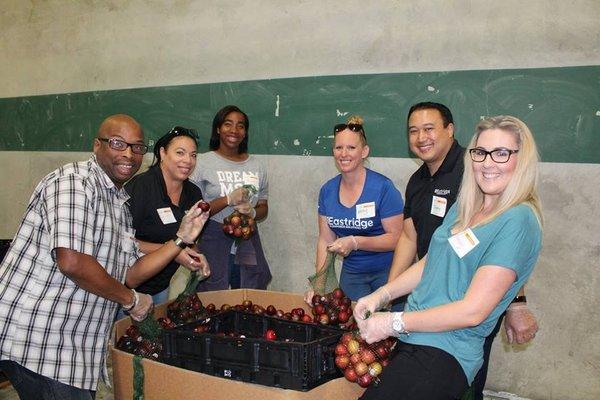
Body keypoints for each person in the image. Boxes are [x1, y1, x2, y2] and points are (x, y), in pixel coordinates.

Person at [0, 115, 208, 399]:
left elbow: (131, 273)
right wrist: (130, 300)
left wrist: (180, 240)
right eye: (117, 143)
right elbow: (72, 261)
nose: (128, 154)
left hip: (73, 345)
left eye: (136, 147)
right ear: (97, 145)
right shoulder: (74, 182)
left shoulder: (118, 203)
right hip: (40, 340)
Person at [355, 115, 543, 400]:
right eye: (480, 153)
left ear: (522, 159)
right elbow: (432, 262)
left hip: (444, 353)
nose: (488, 163)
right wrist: (381, 295)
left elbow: (473, 311)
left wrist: (392, 322)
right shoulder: (466, 206)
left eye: (501, 153)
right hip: (414, 341)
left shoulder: (518, 219)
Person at [308, 116, 404, 303]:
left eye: (351, 148)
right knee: (352, 329)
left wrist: (355, 242)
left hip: (388, 274)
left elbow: (397, 238)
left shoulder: (383, 188)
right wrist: (319, 284)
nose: (344, 154)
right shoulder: (327, 190)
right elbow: (325, 240)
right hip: (352, 276)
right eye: (338, 148)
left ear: (364, 151)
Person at [125, 126, 210, 305]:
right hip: (125, 288)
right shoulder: (141, 187)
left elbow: (189, 240)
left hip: (161, 286)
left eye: (193, 155)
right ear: (162, 153)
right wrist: (174, 251)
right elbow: (123, 240)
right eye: (180, 153)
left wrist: (196, 257)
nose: (188, 160)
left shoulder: (193, 194)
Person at [190, 105, 271, 290]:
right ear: (218, 128)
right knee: (211, 293)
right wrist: (227, 200)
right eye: (228, 124)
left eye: (240, 126)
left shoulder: (257, 166)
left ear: (245, 132)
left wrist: (252, 212)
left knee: (248, 291)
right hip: (213, 238)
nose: (234, 130)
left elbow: (264, 207)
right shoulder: (202, 163)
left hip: (247, 239)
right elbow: (192, 211)